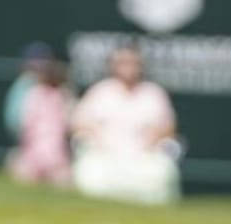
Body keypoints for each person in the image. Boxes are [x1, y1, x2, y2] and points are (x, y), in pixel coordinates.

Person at [71, 46, 181, 205]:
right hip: (104, 157)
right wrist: (96, 137)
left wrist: (152, 141)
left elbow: (168, 127)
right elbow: (78, 122)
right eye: (123, 63)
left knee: (159, 173)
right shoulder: (101, 91)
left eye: (133, 63)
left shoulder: (153, 93)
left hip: (144, 158)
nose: (129, 68)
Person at [7, 60, 74, 187]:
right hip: (33, 152)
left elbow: (68, 124)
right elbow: (26, 123)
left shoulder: (64, 95)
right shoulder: (35, 93)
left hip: (56, 154)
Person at [2, 41, 55, 138]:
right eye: (35, 62)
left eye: (43, 62)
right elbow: (14, 123)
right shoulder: (23, 85)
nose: (40, 66)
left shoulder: (55, 88)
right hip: (29, 144)